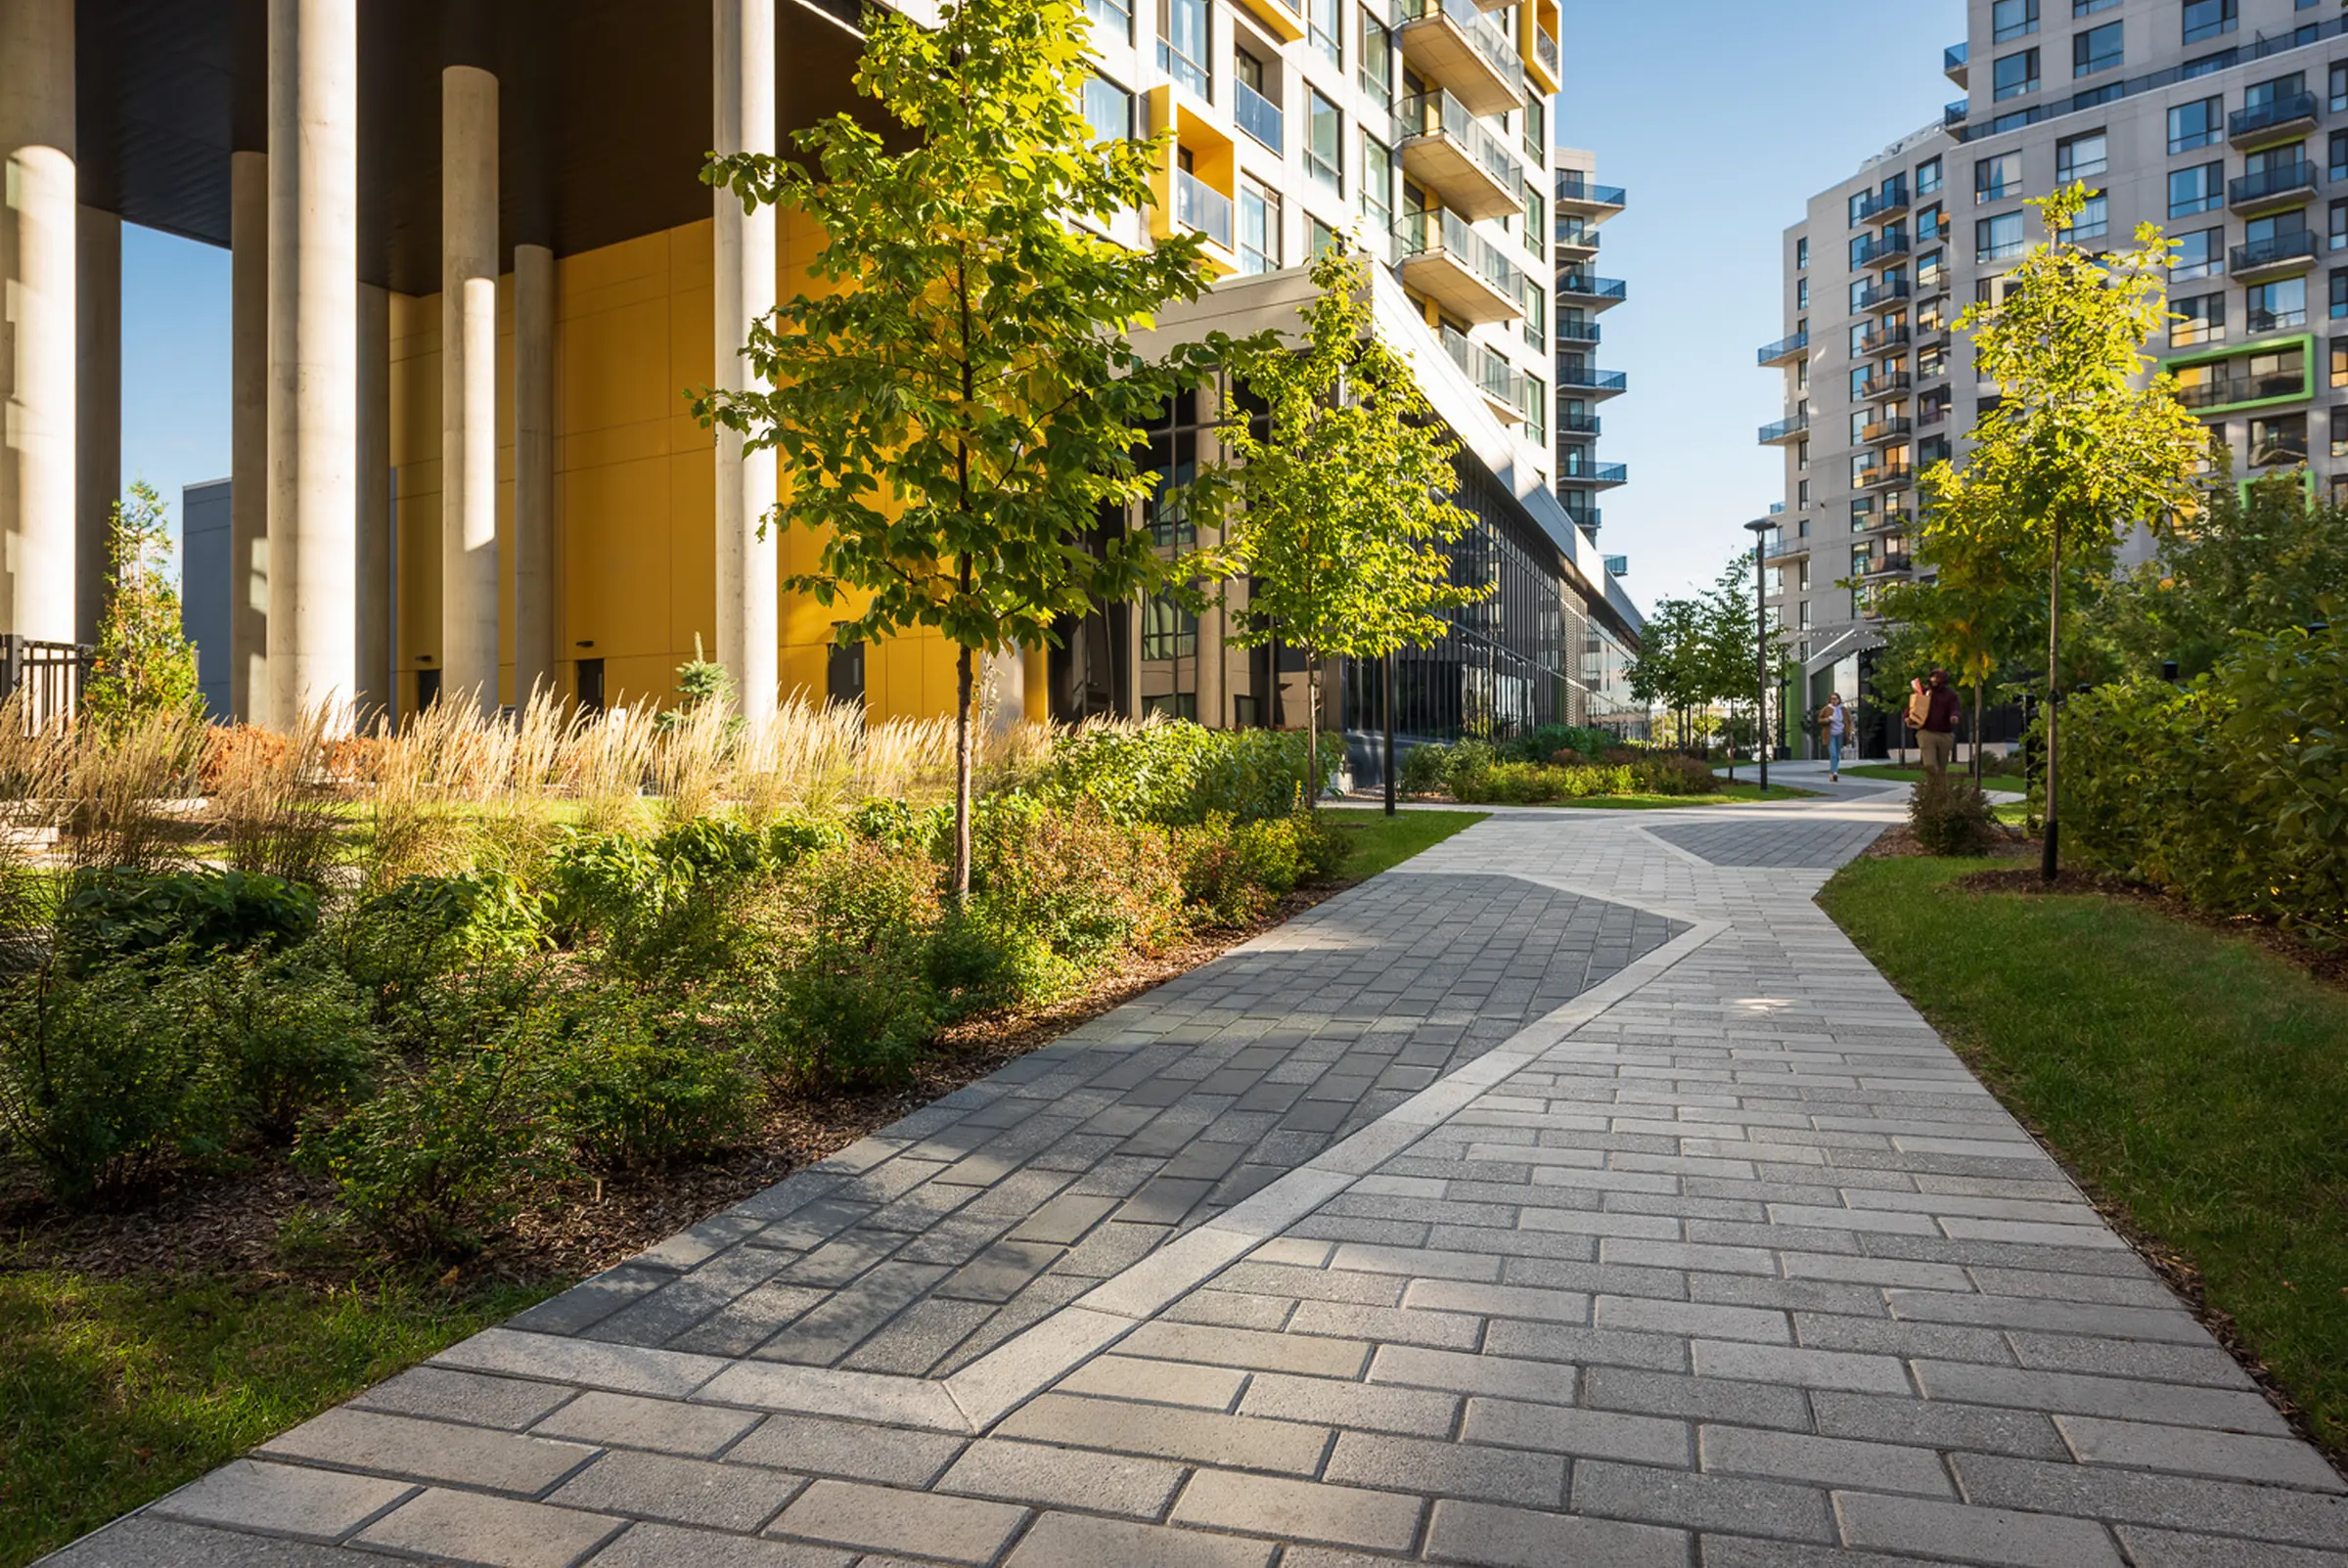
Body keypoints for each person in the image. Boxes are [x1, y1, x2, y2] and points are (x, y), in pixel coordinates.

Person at [1916, 667, 1961, 780]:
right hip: (1926, 732)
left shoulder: (1951, 695)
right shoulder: (1923, 693)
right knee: (1930, 765)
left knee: (1942, 767)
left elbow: (1955, 708)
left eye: (1937, 677)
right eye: (1932, 677)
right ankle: (1931, 790)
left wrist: (1954, 716)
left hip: (1945, 734)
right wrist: (1908, 717)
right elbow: (1913, 706)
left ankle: (1940, 792)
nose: (1934, 680)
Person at [1816, 693, 1848, 783]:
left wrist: (1849, 730)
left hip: (1840, 733)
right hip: (1830, 734)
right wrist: (1827, 719)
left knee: (1837, 755)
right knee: (1833, 754)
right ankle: (1833, 773)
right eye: (1832, 699)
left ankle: (1834, 771)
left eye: (1836, 698)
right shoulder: (1826, 709)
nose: (1834, 700)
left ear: (1839, 699)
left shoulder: (1843, 710)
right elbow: (1819, 719)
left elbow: (1848, 721)